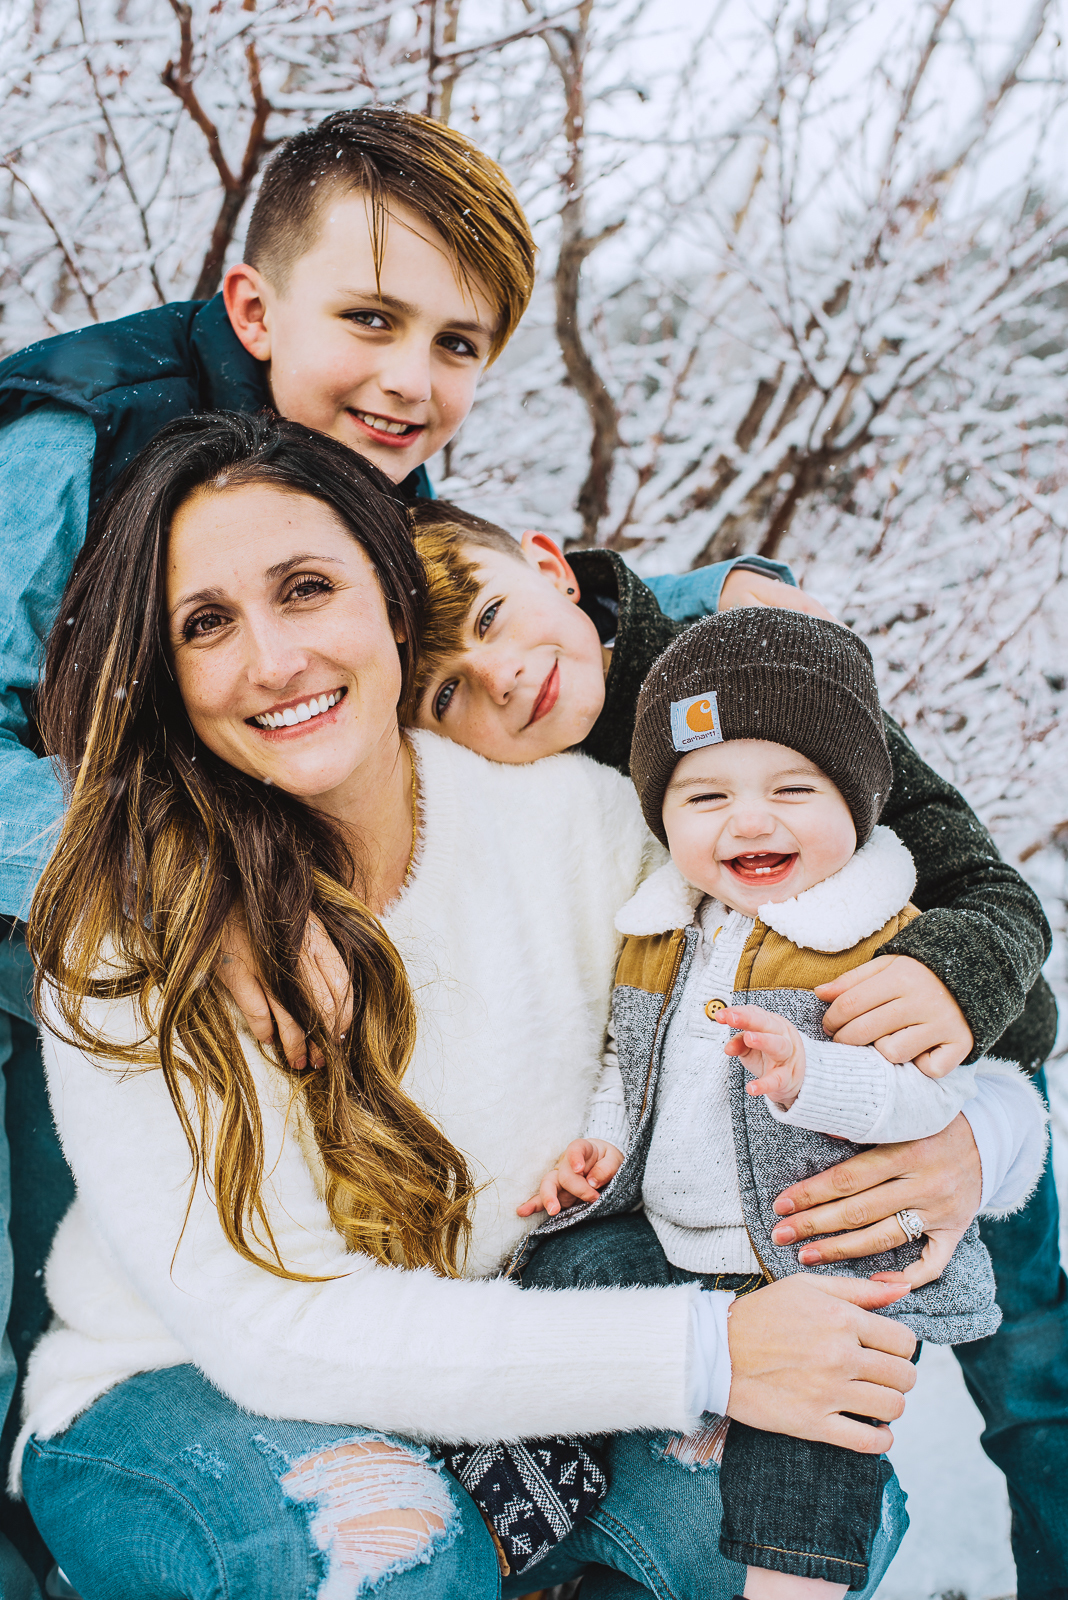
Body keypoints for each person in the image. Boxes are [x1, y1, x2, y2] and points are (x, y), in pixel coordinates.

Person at [16, 412, 929, 1600]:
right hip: (176, 1383)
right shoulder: (131, 926)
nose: (274, 660)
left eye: (306, 588)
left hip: (507, 1370)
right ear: (168, 669)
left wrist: (970, 1146)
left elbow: (835, 962)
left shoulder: (577, 827)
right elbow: (268, 1325)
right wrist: (706, 1350)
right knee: (380, 1549)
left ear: (395, 605)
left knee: (786, 1518)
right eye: (206, 624)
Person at [410, 504, 1067, 1598]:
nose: (503, 676)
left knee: (1036, 1376)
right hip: (740, 1163)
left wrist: (952, 987)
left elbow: (990, 891)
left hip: (919, 1052)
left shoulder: (741, 675)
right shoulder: (510, 797)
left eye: (492, 616)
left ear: (546, 566)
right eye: (444, 691)